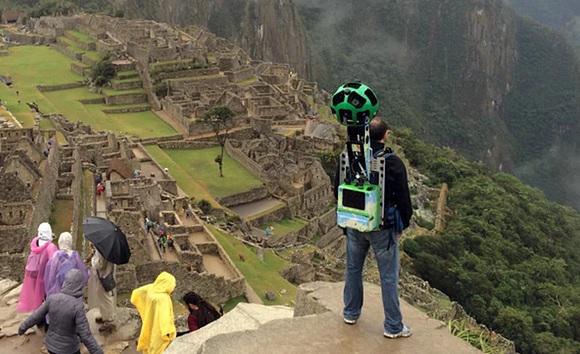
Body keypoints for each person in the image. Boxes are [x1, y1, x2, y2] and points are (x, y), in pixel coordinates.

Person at [335, 117, 413, 339]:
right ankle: (393, 326)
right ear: (385, 135)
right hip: (383, 228)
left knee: (352, 269)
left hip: (354, 223)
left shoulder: (349, 157)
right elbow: (404, 199)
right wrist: (402, 224)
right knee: (388, 277)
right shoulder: (393, 162)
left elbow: (338, 188)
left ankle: (350, 313)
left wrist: (345, 222)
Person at [18, 269, 103, 354]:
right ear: (80, 286)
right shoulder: (78, 306)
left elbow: (36, 316)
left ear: (65, 282)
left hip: (51, 345)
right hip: (69, 349)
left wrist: (22, 328)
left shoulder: (52, 298)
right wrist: (97, 352)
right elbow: (85, 335)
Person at [131, 272, 177, 354]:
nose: (173, 286)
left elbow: (136, 293)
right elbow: (164, 318)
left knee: (149, 342)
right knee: (157, 347)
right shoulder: (163, 298)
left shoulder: (152, 288)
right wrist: (168, 333)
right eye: (172, 284)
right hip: (159, 329)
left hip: (149, 321)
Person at [17, 222, 58, 313]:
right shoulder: (51, 247)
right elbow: (55, 264)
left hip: (32, 277)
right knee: (45, 301)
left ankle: (37, 316)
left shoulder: (34, 244)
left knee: (36, 301)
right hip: (44, 279)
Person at [44, 232, 89, 297]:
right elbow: (83, 275)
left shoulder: (55, 256)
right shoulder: (75, 256)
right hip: (73, 293)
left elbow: (49, 278)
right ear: (70, 242)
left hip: (56, 294)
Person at [87, 246, 116, 333]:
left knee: (105, 297)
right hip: (103, 274)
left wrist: (92, 260)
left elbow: (99, 264)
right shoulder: (104, 248)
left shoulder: (103, 249)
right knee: (101, 296)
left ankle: (109, 320)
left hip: (104, 275)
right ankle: (104, 315)